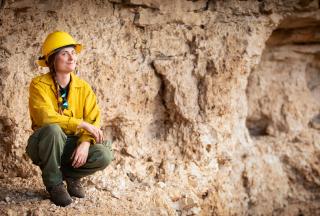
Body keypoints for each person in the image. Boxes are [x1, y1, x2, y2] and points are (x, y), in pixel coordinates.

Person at [26, 31, 113, 207]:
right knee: (53, 130)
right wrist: (80, 123)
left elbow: (94, 119)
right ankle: (54, 183)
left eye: (73, 53)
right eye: (64, 53)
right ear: (52, 59)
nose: (71, 58)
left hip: (71, 142)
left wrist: (85, 143)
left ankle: (72, 175)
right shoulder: (38, 84)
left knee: (104, 153)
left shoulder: (84, 87)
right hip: (46, 143)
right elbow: (44, 117)